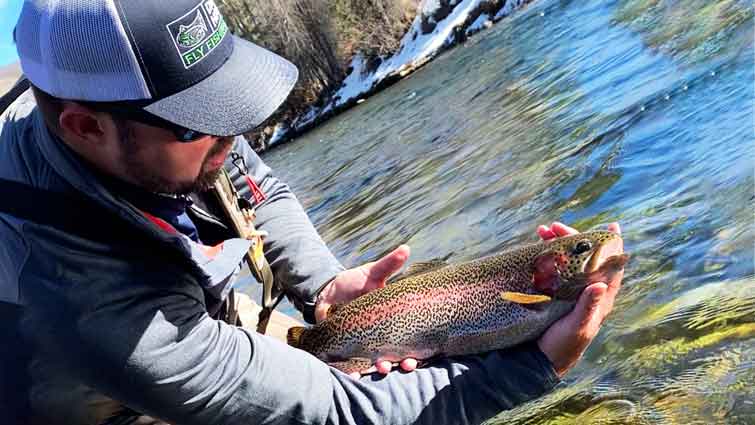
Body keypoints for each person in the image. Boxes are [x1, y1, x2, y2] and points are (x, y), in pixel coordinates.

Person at [0, 1, 624, 424]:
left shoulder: (140, 122)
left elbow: (252, 183)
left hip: (177, 302)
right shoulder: (91, 309)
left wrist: (323, 285)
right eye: (204, 122)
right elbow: (339, 412)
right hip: (83, 394)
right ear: (85, 127)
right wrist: (536, 365)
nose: (236, 133)